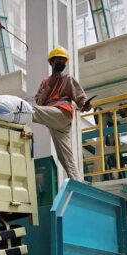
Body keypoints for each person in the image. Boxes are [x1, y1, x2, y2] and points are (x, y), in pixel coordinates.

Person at [33, 46, 92, 181]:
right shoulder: (45, 82)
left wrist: (85, 105)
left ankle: (16, 111)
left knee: (29, 110)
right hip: (52, 121)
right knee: (64, 157)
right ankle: (78, 184)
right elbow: (40, 101)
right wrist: (50, 85)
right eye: (58, 59)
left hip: (61, 113)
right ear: (51, 62)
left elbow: (81, 98)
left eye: (63, 60)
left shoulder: (68, 79)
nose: (61, 62)